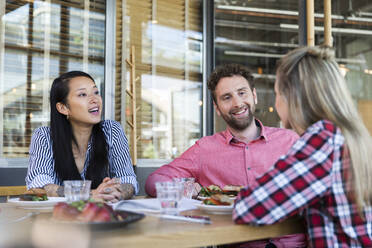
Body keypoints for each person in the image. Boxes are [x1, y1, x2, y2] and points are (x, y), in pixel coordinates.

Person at [233, 46, 372, 247]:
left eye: (277, 93)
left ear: (293, 97)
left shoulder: (323, 138)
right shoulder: (356, 137)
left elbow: (248, 207)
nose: (276, 101)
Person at [26, 71, 138, 202]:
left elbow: (128, 180)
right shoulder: (44, 136)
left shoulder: (112, 130)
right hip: (57, 217)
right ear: (63, 108)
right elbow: (39, 185)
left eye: (96, 92)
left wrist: (115, 192)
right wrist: (90, 194)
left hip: (100, 216)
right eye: (82, 94)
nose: (94, 99)